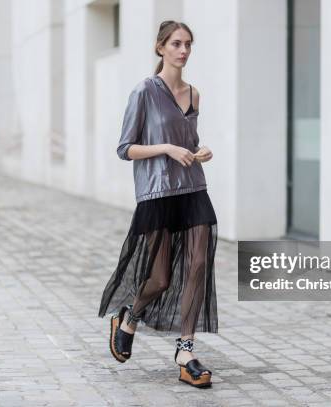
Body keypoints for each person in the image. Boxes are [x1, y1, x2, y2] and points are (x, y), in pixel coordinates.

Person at [97, 20, 218, 389]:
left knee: (199, 263)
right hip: (156, 193)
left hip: (193, 188)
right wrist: (165, 148)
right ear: (161, 47)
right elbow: (125, 148)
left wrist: (201, 152)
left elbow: (189, 140)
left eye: (188, 45)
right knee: (161, 278)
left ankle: (186, 351)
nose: (183, 51)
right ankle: (129, 316)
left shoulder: (194, 94)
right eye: (177, 44)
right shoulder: (144, 91)